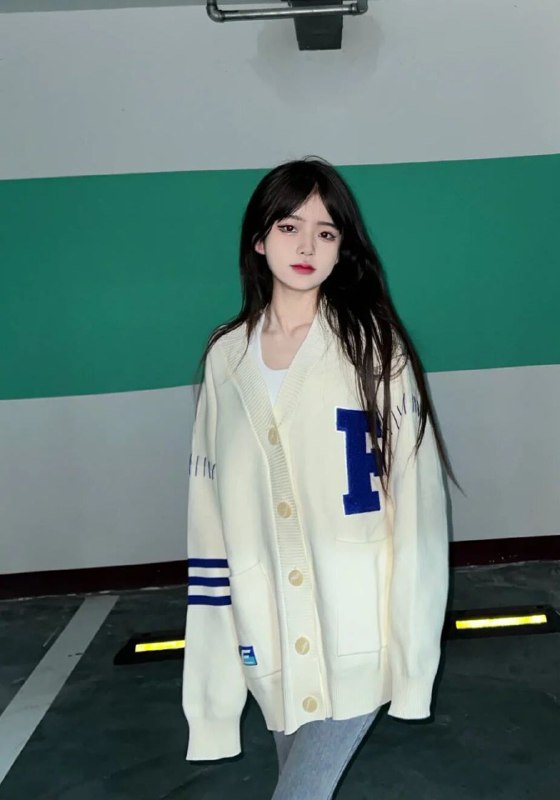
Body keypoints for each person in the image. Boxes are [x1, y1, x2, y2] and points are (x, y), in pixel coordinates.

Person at [182, 156, 459, 799]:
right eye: (289, 227)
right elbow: (207, 523)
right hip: (268, 634)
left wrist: (413, 660)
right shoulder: (226, 358)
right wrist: (213, 698)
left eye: (326, 232)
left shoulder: (374, 347)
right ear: (259, 239)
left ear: (342, 249)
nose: (307, 246)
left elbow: (419, 512)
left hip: (359, 633)